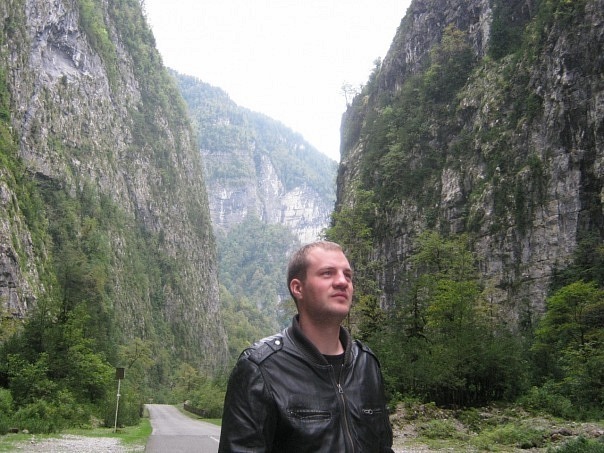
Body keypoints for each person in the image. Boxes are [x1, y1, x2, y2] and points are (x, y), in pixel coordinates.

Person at [218, 241, 394, 452]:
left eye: (348, 275)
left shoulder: (366, 363)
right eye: (327, 273)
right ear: (298, 288)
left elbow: (383, 446)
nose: (342, 282)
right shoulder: (260, 368)